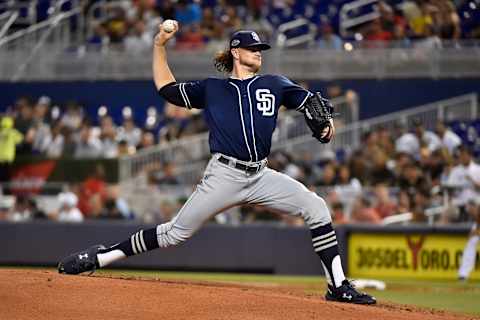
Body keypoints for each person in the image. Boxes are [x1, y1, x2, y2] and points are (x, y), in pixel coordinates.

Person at [58, 23, 376, 305]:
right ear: (236, 52)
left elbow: (309, 104)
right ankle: (102, 256)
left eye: (261, 49)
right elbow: (166, 89)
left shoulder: (275, 84)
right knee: (174, 235)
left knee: (317, 207)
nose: (259, 53)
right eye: (253, 49)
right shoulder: (212, 89)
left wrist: (324, 126)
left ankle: (337, 286)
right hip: (224, 175)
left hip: (261, 174)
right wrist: (159, 46)